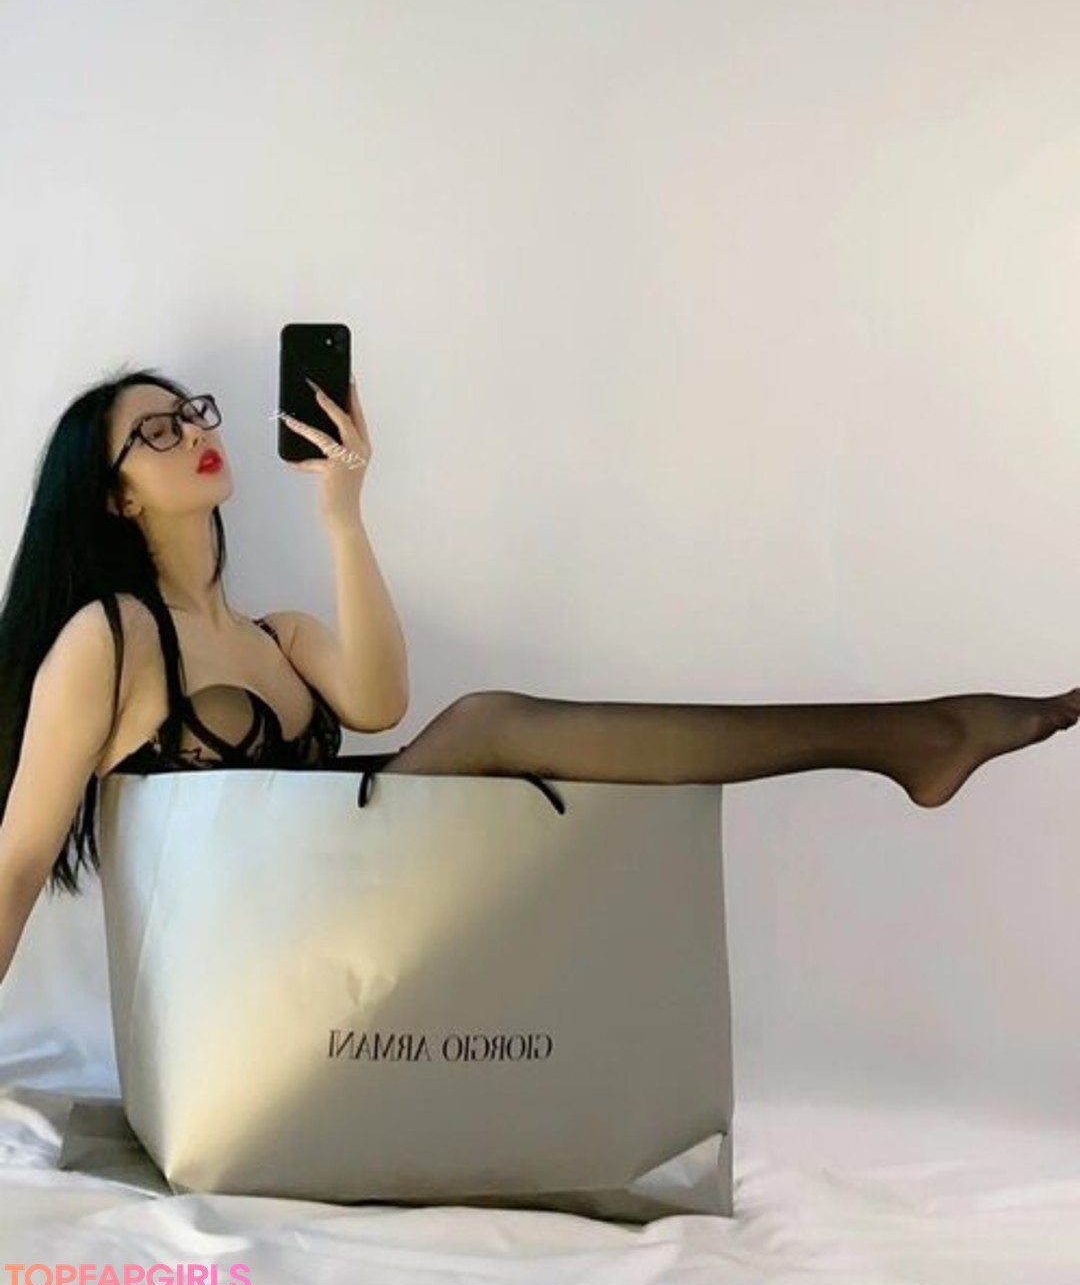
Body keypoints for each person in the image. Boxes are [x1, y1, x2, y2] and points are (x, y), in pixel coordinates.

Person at [1, 365, 1078, 990]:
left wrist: (344, 510)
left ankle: (905, 737)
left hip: (349, 910)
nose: (191, 431)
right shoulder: (111, 637)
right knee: (486, 724)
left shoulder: (275, 635)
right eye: (154, 432)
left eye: (192, 411)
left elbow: (378, 704)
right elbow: (15, 861)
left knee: (494, 742)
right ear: (116, 497)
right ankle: (912, 736)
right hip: (251, 956)